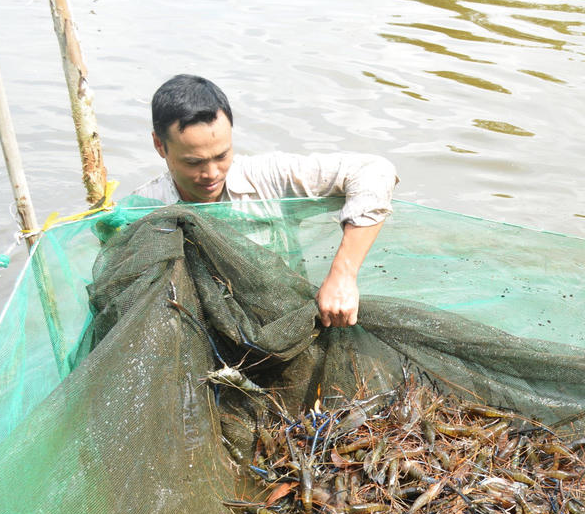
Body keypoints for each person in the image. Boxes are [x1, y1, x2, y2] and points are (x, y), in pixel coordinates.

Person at [132, 74, 398, 327]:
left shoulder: (269, 176)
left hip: (286, 322)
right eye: (194, 162)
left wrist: (343, 275)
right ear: (159, 145)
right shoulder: (141, 209)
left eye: (222, 156)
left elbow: (375, 171)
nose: (212, 174)